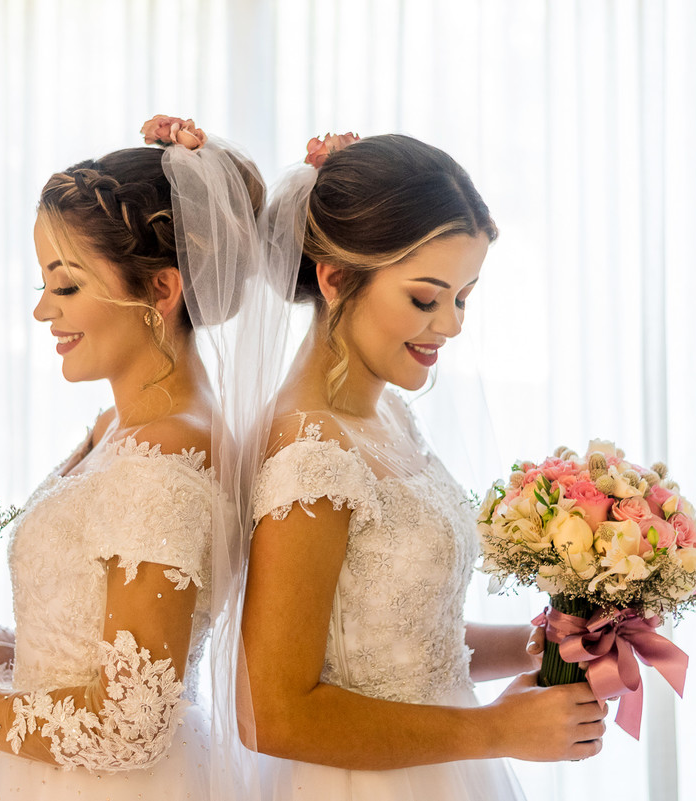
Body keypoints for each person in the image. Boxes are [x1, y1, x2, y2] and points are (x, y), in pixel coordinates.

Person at [0, 116, 265, 800]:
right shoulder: (120, 427)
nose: (42, 313)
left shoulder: (168, 455)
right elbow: (93, 659)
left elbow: (129, 724)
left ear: (161, 290)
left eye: (65, 287)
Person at [240, 133, 607, 800]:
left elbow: (396, 636)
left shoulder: (387, 415)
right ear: (335, 278)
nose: (453, 324)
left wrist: (538, 644)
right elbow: (273, 714)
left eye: (463, 296)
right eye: (425, 297)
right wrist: (495, 730)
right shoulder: (308, 453)